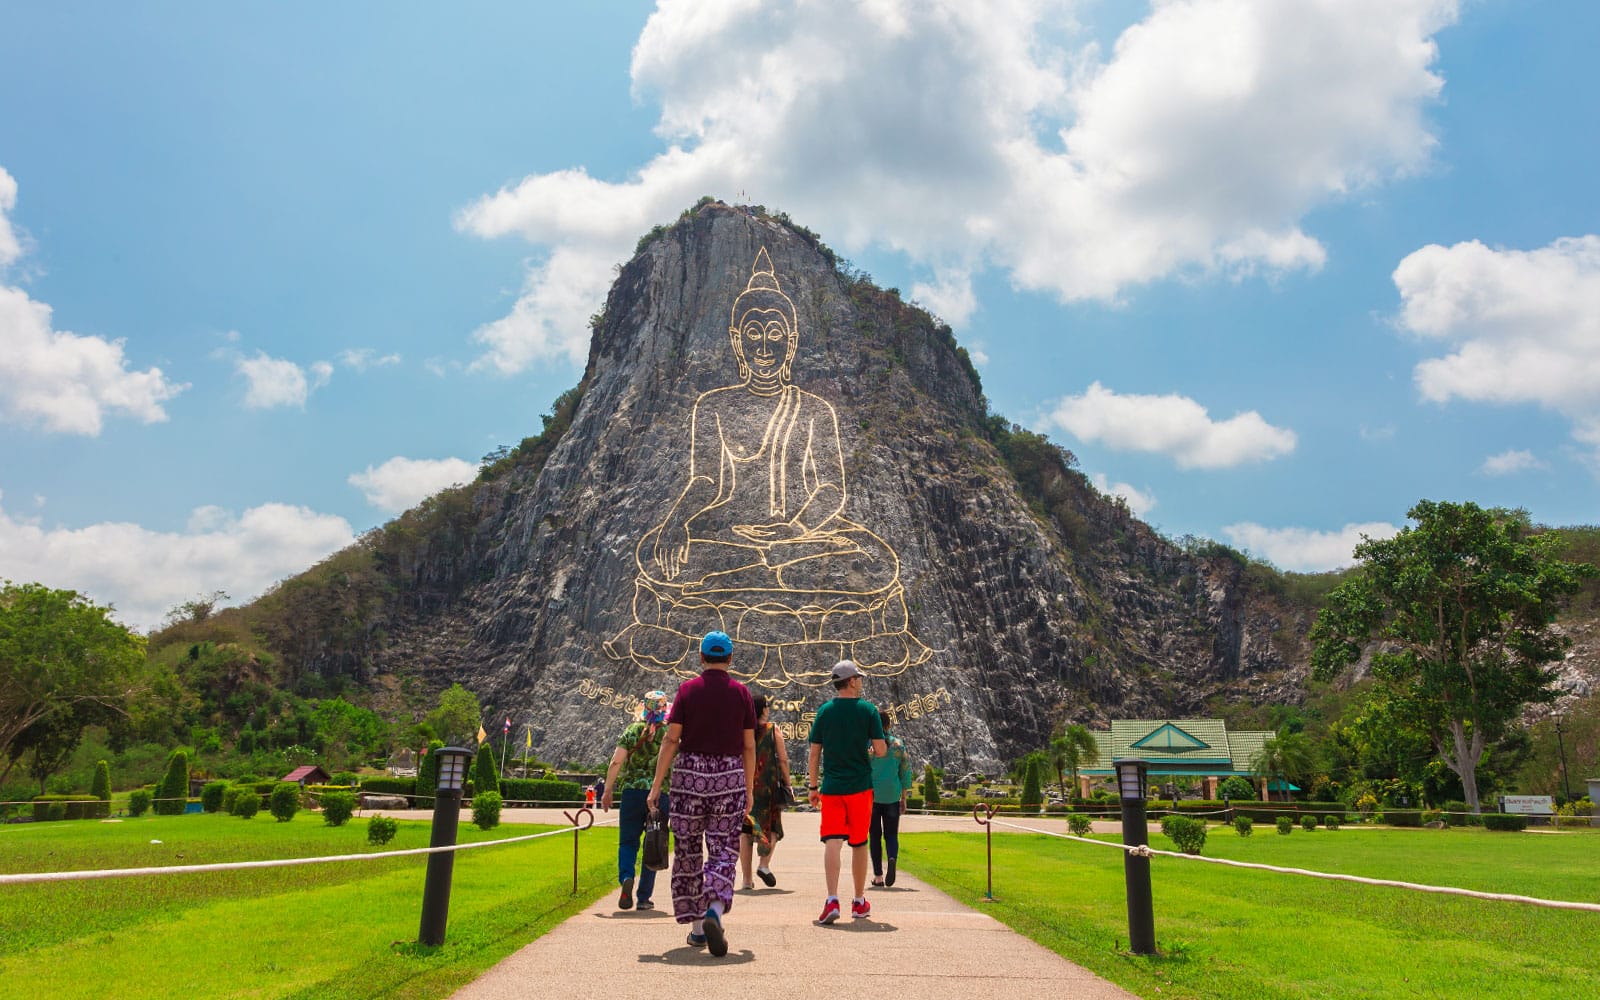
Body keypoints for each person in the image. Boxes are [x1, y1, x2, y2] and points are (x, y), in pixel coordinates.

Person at [648, 630, 756, 957]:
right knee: (724, 848)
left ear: (701, 657)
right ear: (731, 659)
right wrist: (748, 788)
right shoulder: (741, 694)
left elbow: (670, 740)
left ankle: (697, 930)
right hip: (729, 776)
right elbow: (749, 745)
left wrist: (656, 787)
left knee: (688, 848)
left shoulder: (687, 691)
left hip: (690, 777)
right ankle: (715, 911)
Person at [806, 660, 886, 924]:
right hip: (860, 787)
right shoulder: (868, 710)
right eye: (858, 678)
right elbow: (881, 749)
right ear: (851, 681)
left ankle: (831, 900)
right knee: (859, 843)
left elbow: (815, 752)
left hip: (831, 787)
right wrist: (869, 752)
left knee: (832, 841)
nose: (861, 682)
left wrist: (813, 786)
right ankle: (859, 900)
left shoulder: (825, 711)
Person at [600, 691, 671, 911]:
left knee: (628, 842)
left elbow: (616, 762)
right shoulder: (669, 734)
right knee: (654, 843)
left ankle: (626, 877)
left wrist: (608, 790)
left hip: (632, 793)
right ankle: (643, 897)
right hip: (659, 795)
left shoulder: (632, 731)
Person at [739, 694, 792, 890]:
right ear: (763, 709)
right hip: (767, 788)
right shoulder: (772, 730)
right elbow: (783, 760)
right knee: (773, 827)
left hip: (746, 787)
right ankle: (764, 865)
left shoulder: (743, 731)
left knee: (745, 833)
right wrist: (787, 783)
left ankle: (746, 879)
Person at [868, 713, 912, 887]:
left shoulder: (868, 745)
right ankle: (892, 858)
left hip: (871, 796)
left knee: (875, 836)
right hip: (892, 794)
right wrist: (904, 797)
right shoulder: (898, 745)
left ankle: (878, 876)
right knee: (891, 834)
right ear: (888, 724)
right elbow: (905, 772)